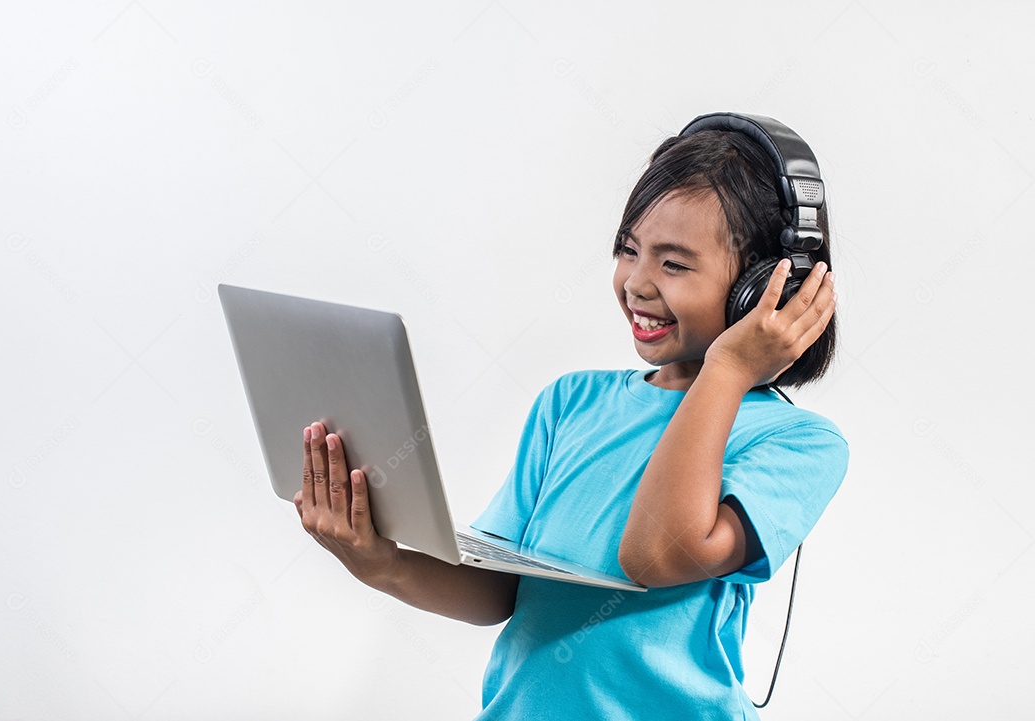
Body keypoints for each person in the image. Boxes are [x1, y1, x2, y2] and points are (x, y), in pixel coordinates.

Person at [294, 116, 848, 719]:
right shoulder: (570, 403)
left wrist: (728, 370)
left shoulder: (798, 443)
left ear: (768, 287)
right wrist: (384, 563)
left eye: (675, 265)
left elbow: (657, 555)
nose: (636, 284)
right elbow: (499, 588)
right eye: (628, 250)